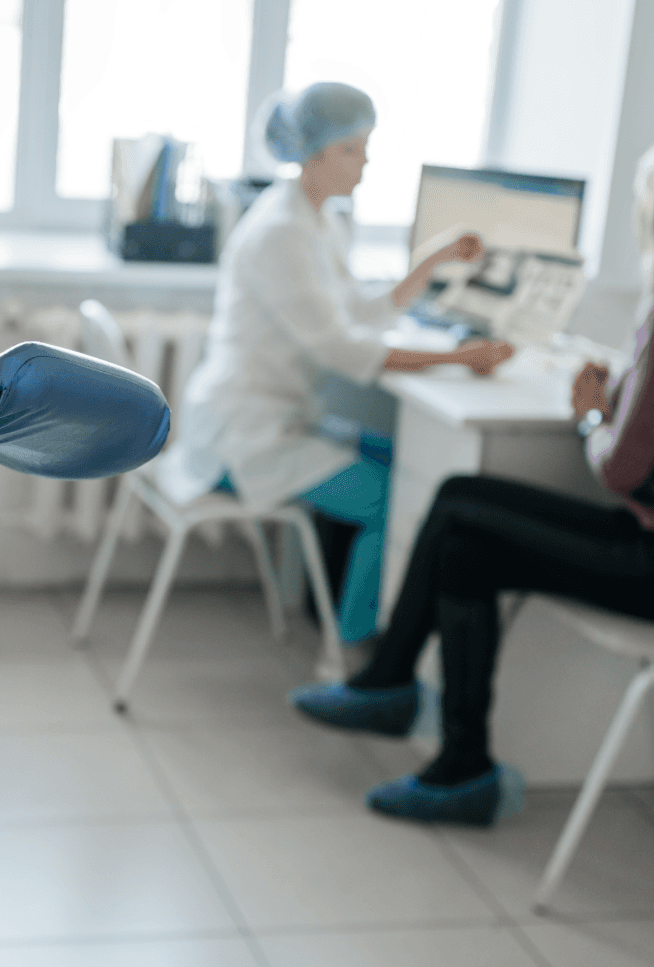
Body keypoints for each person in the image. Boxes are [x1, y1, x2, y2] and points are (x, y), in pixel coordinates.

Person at [290, 127, 654, 826]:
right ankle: (409, 705)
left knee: (464, 525)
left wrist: (592, 414)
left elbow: (621, 469)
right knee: (462, 505)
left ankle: (420, 718)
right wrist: (624, 393)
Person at [155, 81, 514, 645]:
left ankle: (360, 636)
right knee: (395, 499)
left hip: (279, 417)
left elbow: (357, 311)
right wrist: (459, 357)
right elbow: (343, 349)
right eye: (354, 148)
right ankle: (353, 652)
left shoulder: (316, 219)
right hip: (244, 436)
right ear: (314, 153)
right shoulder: (280, 233)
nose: (367, 162)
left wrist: (433, 260)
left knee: (407, 462)